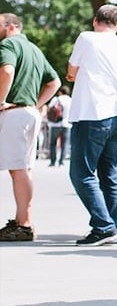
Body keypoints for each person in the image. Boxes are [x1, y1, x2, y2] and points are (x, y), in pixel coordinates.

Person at [67, 4, 117, 246]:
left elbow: (71, 71)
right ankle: (113, 226)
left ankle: (104, 226)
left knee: (81, 173)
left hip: (92, 112)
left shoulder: (87, 38)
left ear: (96, 20)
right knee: (110, 174)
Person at [0, 13, 60, 242]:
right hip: (28, 112)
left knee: (18, 169)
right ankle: (23, 220)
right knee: (24, 169)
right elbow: (54, 82)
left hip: (13, 113)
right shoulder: (34, 49)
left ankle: (23, 225)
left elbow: (6, 71)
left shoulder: (8, 44)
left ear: (12, 26)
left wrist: (1, 99)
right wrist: (36, 104)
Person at [47, 85, 72, 167]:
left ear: (60, 92)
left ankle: (53, 161)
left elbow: (49, 108)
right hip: (66, 124)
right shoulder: (70, 100)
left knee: (53, 143)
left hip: (55, 124)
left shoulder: (56, 99)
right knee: (64, 144)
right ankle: (61, 162)